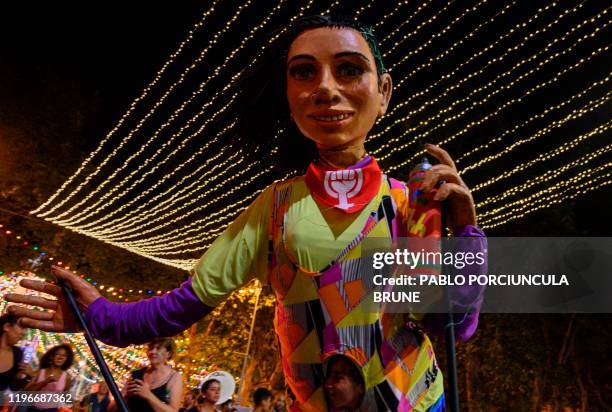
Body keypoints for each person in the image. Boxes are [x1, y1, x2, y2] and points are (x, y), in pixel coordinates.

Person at [6, 15, 486, 411]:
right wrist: (103, 317)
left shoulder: (411, 203)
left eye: (347, 69)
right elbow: (182, 304)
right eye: (304, 72)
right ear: (288, 97)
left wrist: (465, 229)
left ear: (383, 92)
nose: (325, 88)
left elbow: (454, 324)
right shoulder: (273, 209)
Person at [124, 337, 183, 412]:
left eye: (158, 348)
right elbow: (114, 405)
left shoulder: (174, 377)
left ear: (169, 354)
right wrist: (127, 396)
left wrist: (148, 395)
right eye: (151, 348)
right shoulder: (137, 374)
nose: (152, 351)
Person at [25, 343, 73, 412]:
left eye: (64, 355)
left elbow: (66, 397)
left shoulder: (67, 377)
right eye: (58, 354)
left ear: (67, 359)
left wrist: (73, 404)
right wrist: (44, 382)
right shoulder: (40, 372)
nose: (61, 357)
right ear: (51, 356)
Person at [0, 314, 30, 404]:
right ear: (7, 326)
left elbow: (13, 387)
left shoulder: (18, 354)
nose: (24, 333)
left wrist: (22, 376)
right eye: (22, 326)